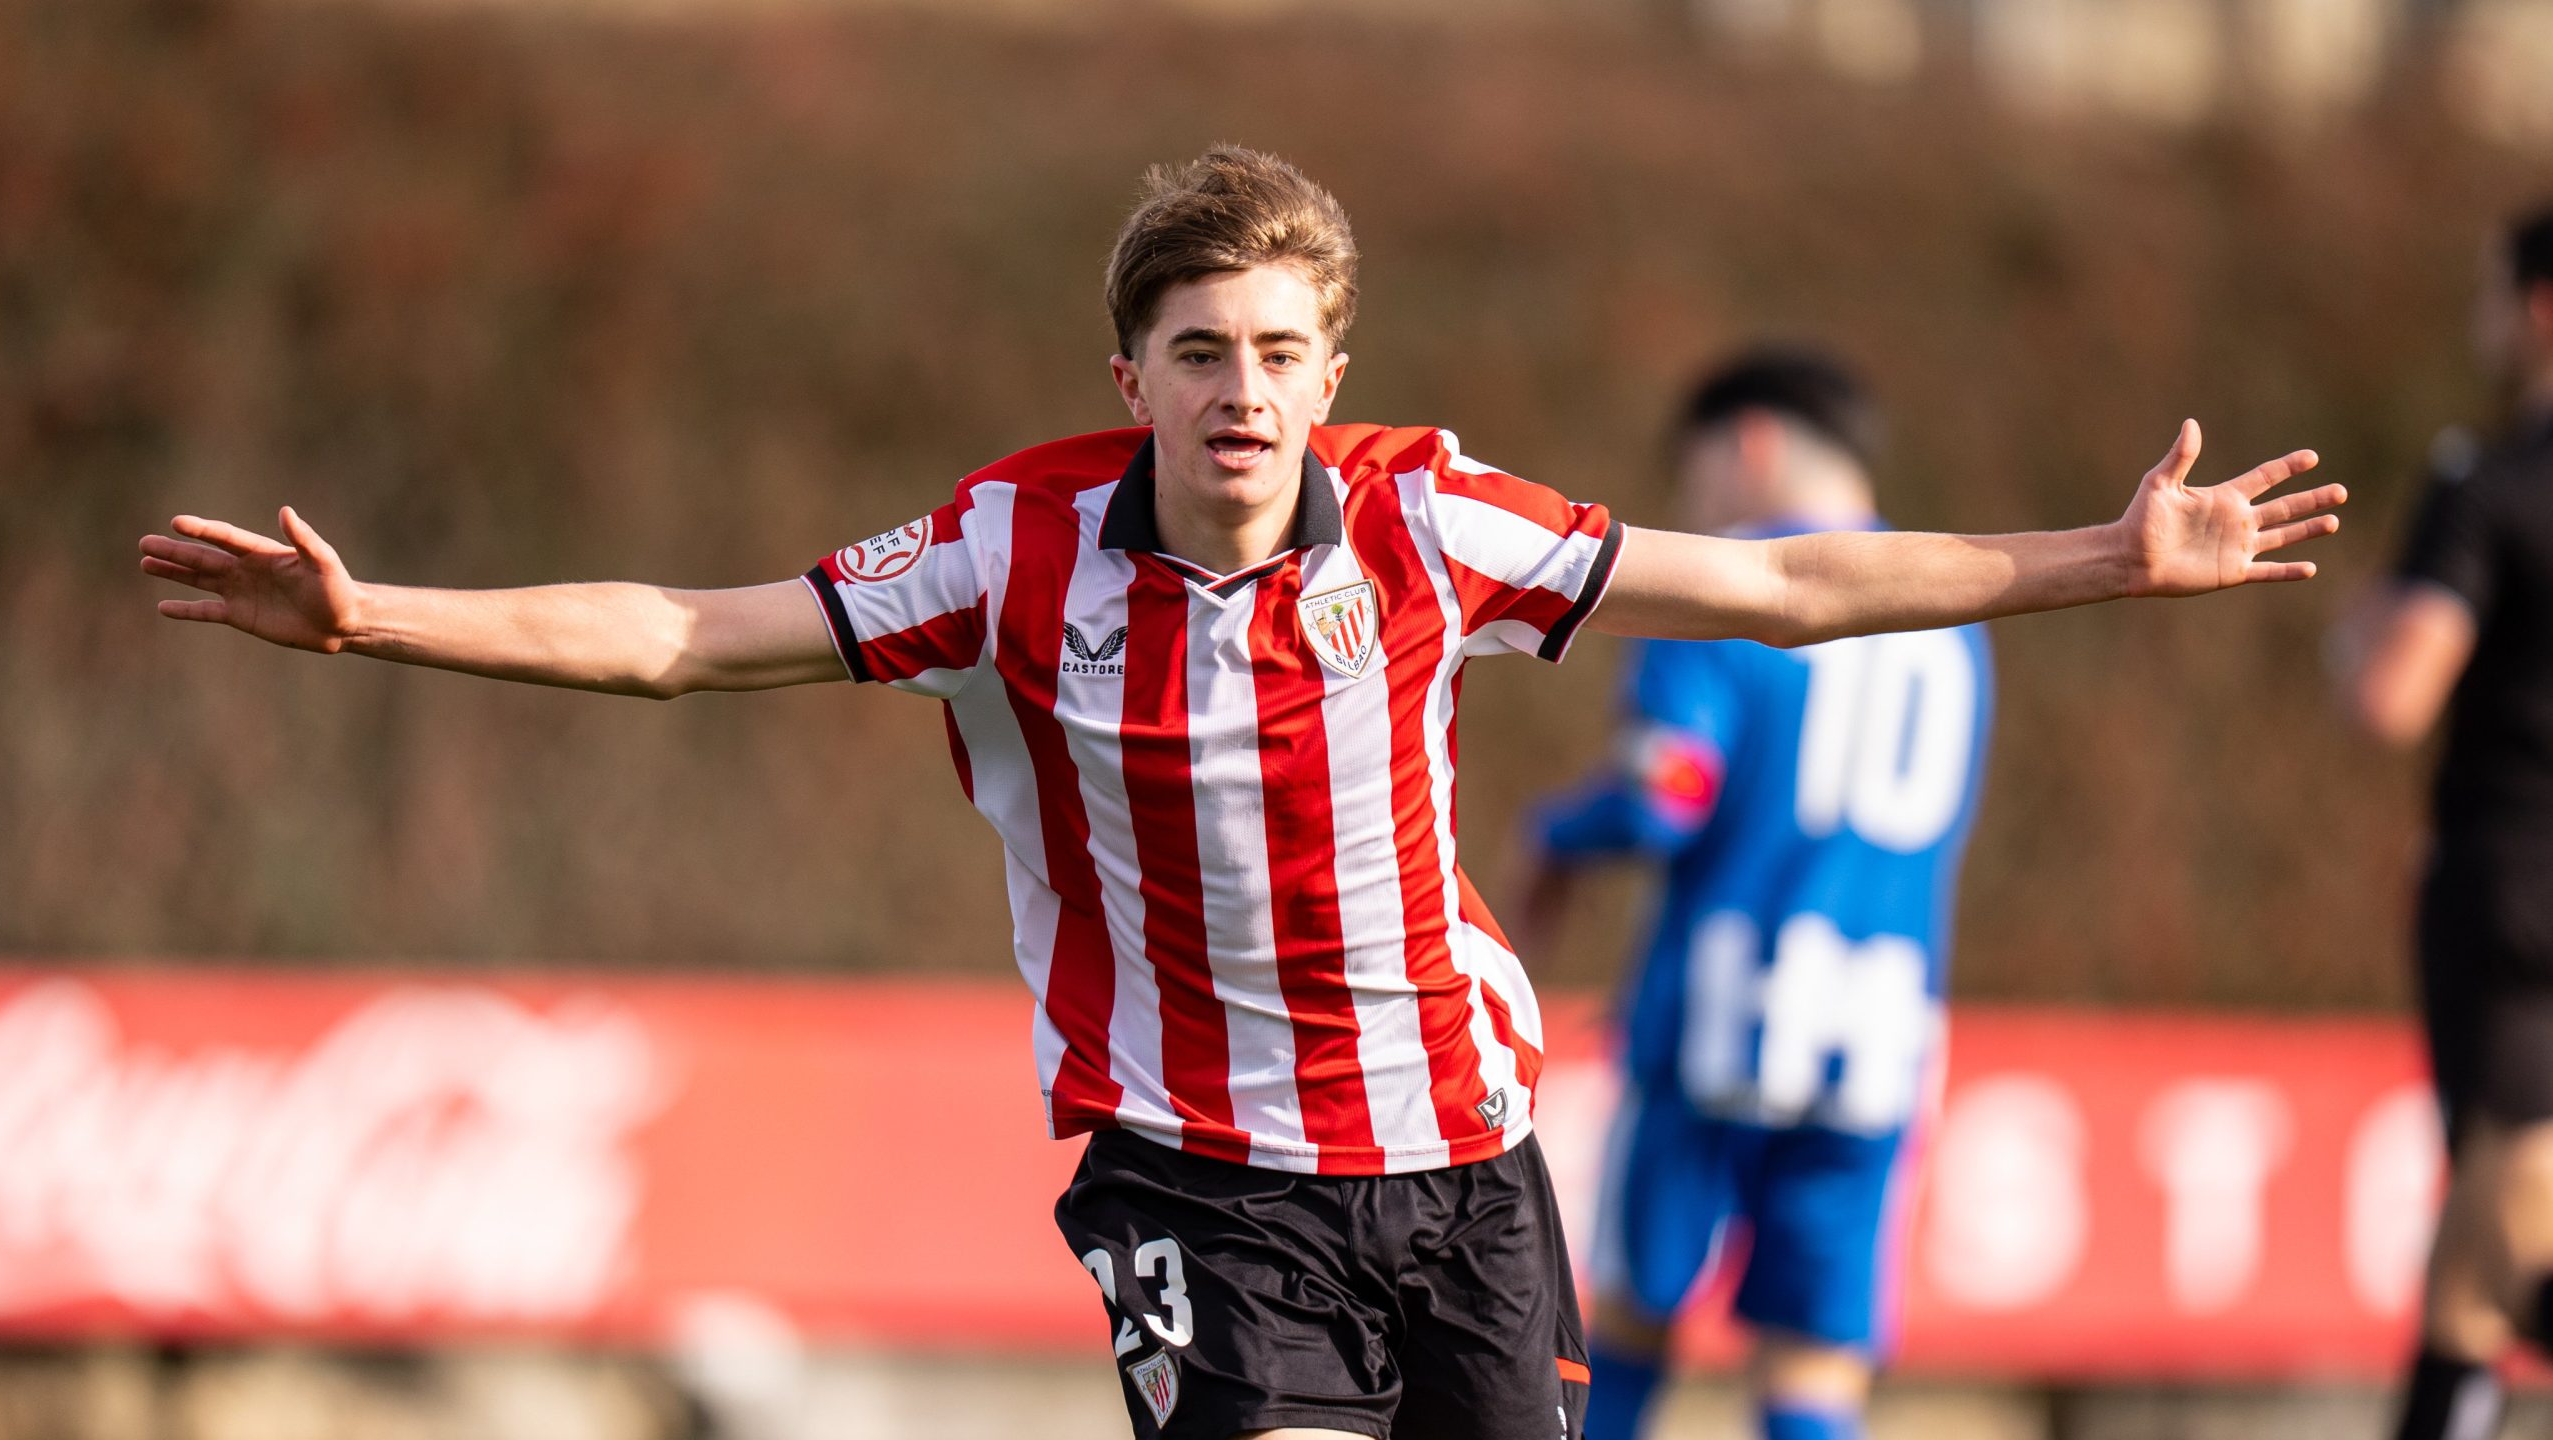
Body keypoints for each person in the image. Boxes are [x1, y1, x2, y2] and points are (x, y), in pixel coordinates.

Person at [140, 146, 2340, 1440]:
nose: (1242, 395)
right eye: (1200, 352)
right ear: (1131, 378)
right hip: (1203, 1183)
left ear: (1332, 375)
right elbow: (677, 639)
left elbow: (1780, 586)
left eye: (1282, 353)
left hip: (1465, 1170)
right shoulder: (1009, 547)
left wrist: (2099, 560)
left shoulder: (1427, 528)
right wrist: (379, 616)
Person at [1510, 350, 1987, 1440]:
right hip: (1879, 1032)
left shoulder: (1719, 582)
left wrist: (1553, 835)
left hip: (1717, 1015)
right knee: (1813, 1367)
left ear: (1749, 443)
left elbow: (1665, 791)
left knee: (1626, 1323)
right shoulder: (1952, 622)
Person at [2335, 204, 2553, 1440]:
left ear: (2536, 305)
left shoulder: (2491, 483)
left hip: (2512, 896)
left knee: (2495, 1252)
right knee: (2478, 1253)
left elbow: (2392, 697)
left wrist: (2357, 635)